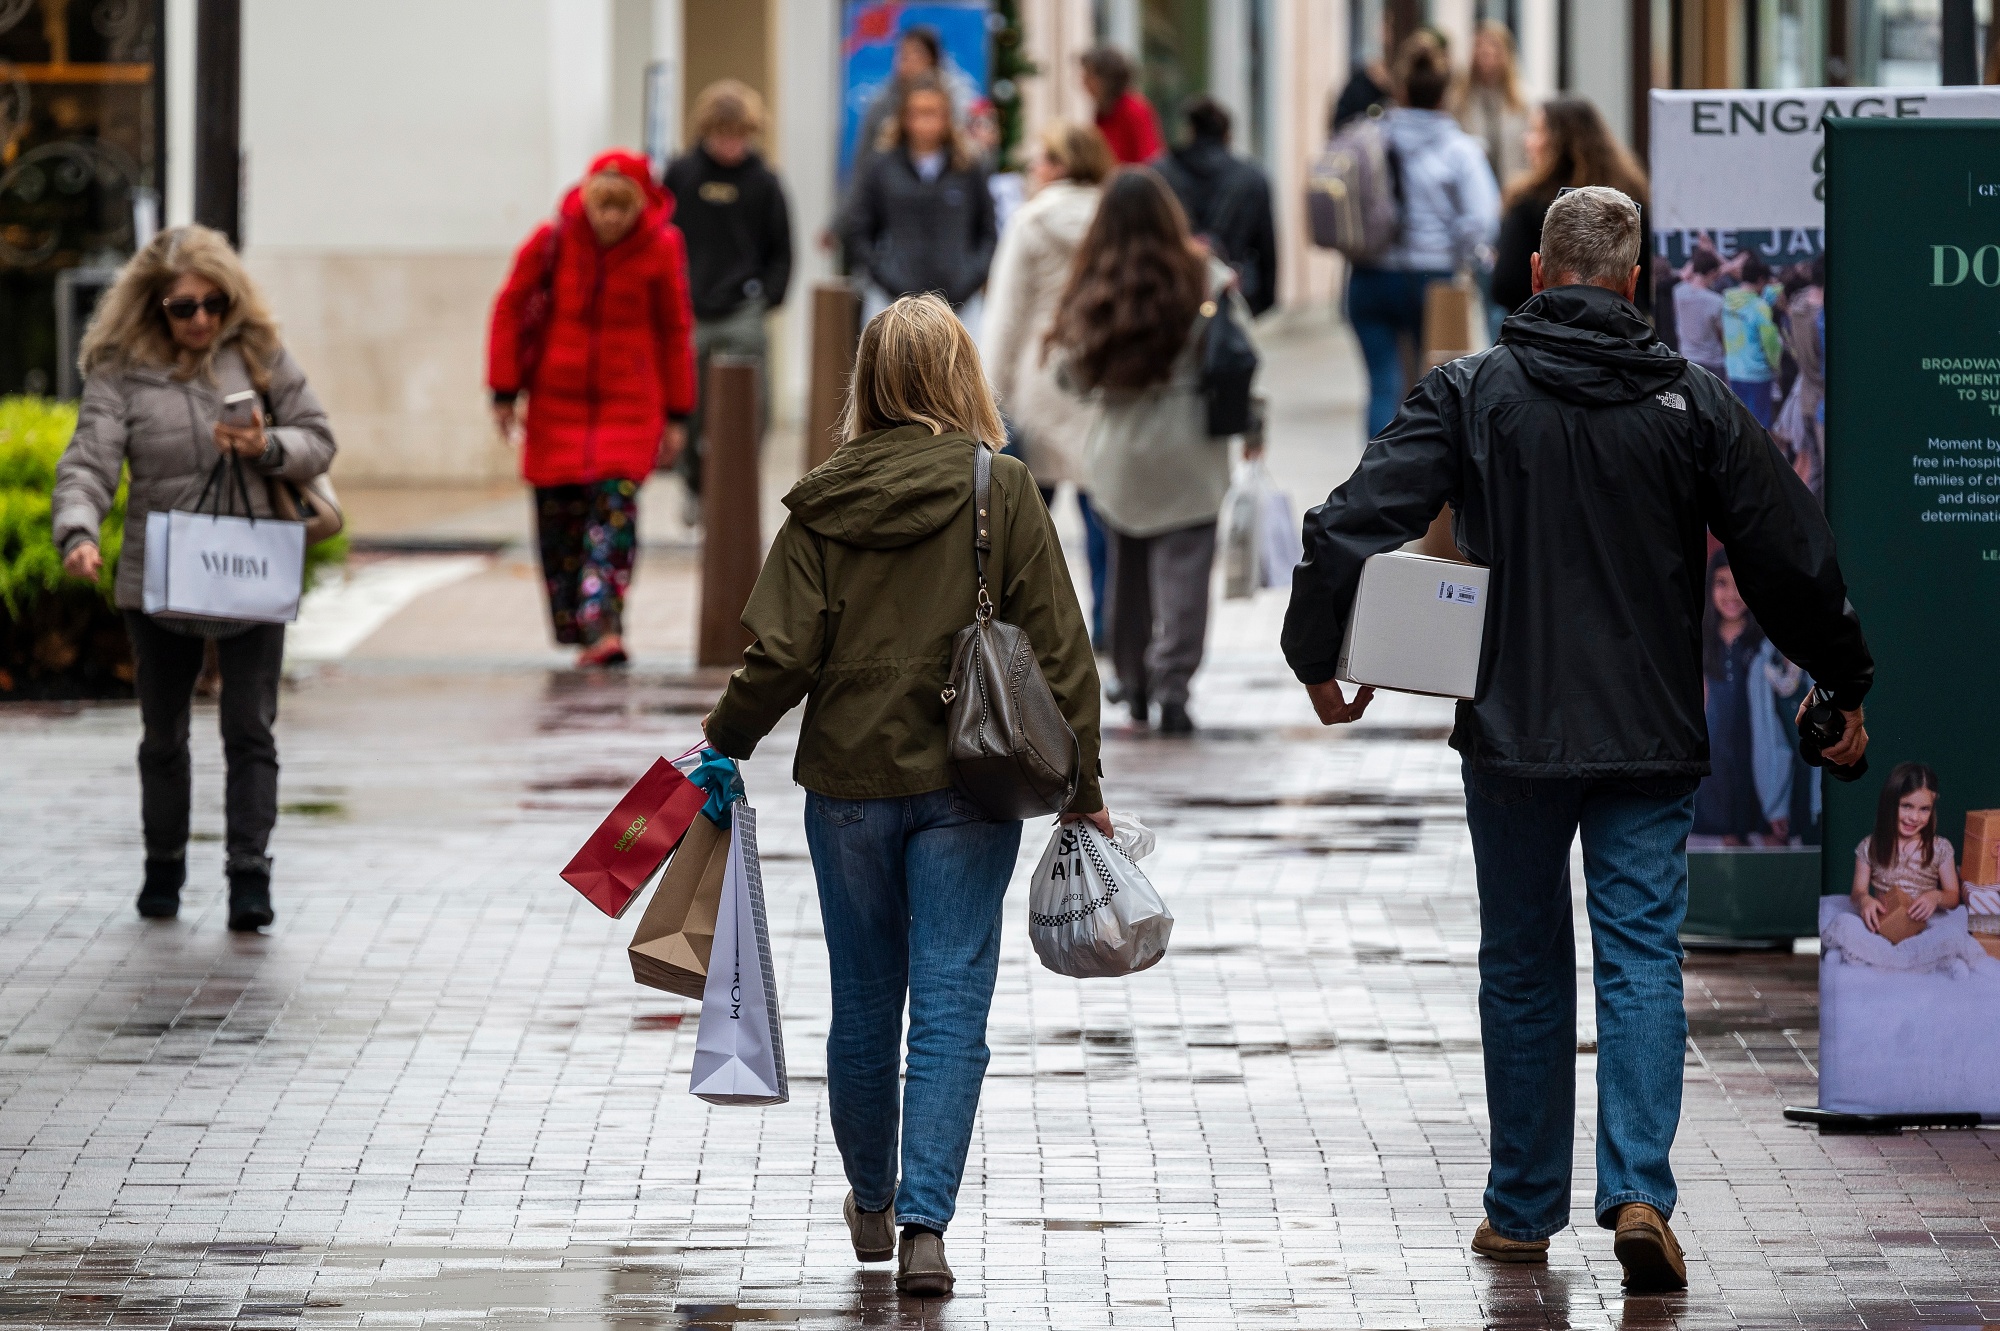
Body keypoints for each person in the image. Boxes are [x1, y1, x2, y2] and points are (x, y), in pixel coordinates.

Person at [1281, 186, 1873, 1290]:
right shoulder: (1690, 404)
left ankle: (1518, 1209)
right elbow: (1788, 551)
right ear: (1637, 283)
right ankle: (1638, 1189)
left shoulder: (1470, 393)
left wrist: (1317, 651)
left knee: (1519, 961)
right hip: (1649, 733)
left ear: (1539, 275)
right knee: (1641, 955)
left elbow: (1350, 520)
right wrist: (1840, 679)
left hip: (1508, 731)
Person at [699, 294, 1107, 1299]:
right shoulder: (997, 489)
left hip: (845, 782)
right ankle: (926, 1223)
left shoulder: (821, 499)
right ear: (959, 376)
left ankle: (871, 1197)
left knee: (864, 998)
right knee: (952, 997)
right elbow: (1059, 648)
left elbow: (779, 651)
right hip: (972, 779)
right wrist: (1081, 786)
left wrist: (723, 741)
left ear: (867, 383)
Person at [51, 224, 337, 931]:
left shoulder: (258, 354)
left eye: (213, 304)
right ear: (153, 306)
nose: (202, 319)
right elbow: (90, 460)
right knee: (163, 733)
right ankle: (164, 864)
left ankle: (249, 872)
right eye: (184, 308)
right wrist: (78, 531)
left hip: (251, 565)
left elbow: (319, 438)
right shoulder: (119, 370)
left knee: (249, 727)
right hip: (161, 573)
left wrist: (266, 445)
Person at [1048, 168, 1247, 736]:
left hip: (1120, 451)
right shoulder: (1206, 275)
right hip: (1192, 447)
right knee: (1185, 576)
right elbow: (1241, 354)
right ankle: (1173, 685)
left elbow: (1069, 377)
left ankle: (1132, 682)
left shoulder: (1095, 283)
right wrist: (1252, 427)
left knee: (1127, 575)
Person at [488, 151, 697, 668]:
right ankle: (575, 625)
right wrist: (503, 390)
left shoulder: (662, 247)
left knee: (614, 514)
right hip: (556, 406)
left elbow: (675, 329)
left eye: (621, 209)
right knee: (558, 522)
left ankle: (602, 625)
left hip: (630, 407)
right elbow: (510, 308)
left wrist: (678, 413)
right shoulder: (552, 240)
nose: (609, 220)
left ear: (640, 207)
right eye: (601, 208)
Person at [982, 120, 1116, 639]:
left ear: (1060, 165)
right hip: (1100, 378)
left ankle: (1027, 628)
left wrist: (989, 395)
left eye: (1039, 159)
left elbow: (1006, 314)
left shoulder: (1031, 221)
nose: (1031, 169)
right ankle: (1107, 624)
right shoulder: (1114, 217)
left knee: (1024, 522)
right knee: (1101, 506)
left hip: (1040, 381)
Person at [1346, 35, 1499, 438]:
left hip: (1370, 275)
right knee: (1433, 392)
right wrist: (1460, 252)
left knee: (1382, 385)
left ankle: (1375, 487)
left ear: (1399, 89)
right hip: (1432, 278)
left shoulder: (1371, 136)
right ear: (1445, 93)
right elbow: (1481, 220)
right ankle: (1423, 488)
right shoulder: (1459, 150)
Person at [663, 80, 793, 509]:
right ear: (706, 131)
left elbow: (781, 249)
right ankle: (695, 485)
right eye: (722, 135)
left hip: (743, 309)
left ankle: (738, 487)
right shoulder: (682, 175)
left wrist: (765, 297)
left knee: (752, 407)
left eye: (739, 135)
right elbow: (661, 235)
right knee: (689, 407)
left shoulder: (764, 181)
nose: (730, 145)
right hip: (691, 309)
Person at [840, 74, 997, 322]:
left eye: (932, 112)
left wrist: (970, 276)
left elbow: (988, 230)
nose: (925, 122)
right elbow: (859, 229)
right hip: (894, 302)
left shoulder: (968, 168)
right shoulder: (882, 167)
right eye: (917, 113)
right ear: (904, 118)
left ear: (946, 117)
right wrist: (885, 275)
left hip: (959, 303)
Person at [1487, 97, 1650, 319]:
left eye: (1536, 131)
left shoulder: (1528, 202)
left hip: (1541, 333)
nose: (1527, 141)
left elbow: (1506, 285)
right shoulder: (1633, 195)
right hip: (1621, 330)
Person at [1154, 96, 1279, 318]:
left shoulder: (1158, 175)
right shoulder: (1252, 178)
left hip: (1171, 293)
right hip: (1231, 293)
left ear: (1189, 131)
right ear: (1227, 135)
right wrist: (1264, 301)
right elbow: (1266, 246)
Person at [1693, 552, 1768, 845]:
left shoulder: (1763, 643)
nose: (1732, 594)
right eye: (1722, 583)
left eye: (1741, 584)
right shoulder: (1700, 641)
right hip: (1713, 763)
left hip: (1756, 760)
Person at [1853, 763, 1961, 934]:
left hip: (1924, 926)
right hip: (1884, 925)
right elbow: (1858, 891)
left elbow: (1953, 896)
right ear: (1890, 803)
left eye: (1924, 809)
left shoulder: (1940, 847)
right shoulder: (1869, 846)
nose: (1914, 817)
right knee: (1844, 926)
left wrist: (1935, 896)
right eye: (1906, 806)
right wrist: (1864, 900)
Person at [1452, 21, 1530, 188]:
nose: (1486, 52)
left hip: (1513, 186)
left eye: (1493, 46)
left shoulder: (1523, 100)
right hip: (1471, 186)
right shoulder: (1459, 99)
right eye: (1480, 46)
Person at [1723, 251, 1783, 428]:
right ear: (1761, 280)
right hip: (1758, 374)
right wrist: (1776, 366)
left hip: (1734, 370)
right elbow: (1771, 343)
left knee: (1738, 424)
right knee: (1758, 427)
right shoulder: (1760, 307)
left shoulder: (1727, 300)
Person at [1081, 47, 1163, 164]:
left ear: (1105, 79)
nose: (1083, 81)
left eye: (1089, 75)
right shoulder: (1102, 111)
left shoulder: (1135, 110)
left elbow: (1150, 158)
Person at [1673, 249, 1728, 382]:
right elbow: (1721, 334)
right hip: (1713, 361)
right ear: (1712, 273)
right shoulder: (1717, 301)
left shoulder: (1678, 292)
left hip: (1687, 358)